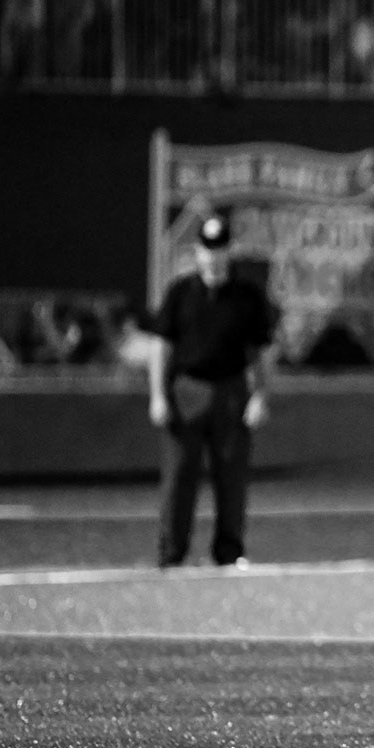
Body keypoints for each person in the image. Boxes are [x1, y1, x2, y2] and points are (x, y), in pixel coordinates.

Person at [148, 215, 276, 569]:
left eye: (220, 249)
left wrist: (260, 395)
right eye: (208, 249)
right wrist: (158, 395)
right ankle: (171, 553)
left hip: (231, 391)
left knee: (231, 477)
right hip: (188, 390)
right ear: (198, 252)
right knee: (179, 476)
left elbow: (260, 352)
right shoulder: (181, 292)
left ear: (228, 252)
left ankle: (229, 551)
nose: (214, 257)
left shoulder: (246, 296)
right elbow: (161, 347)